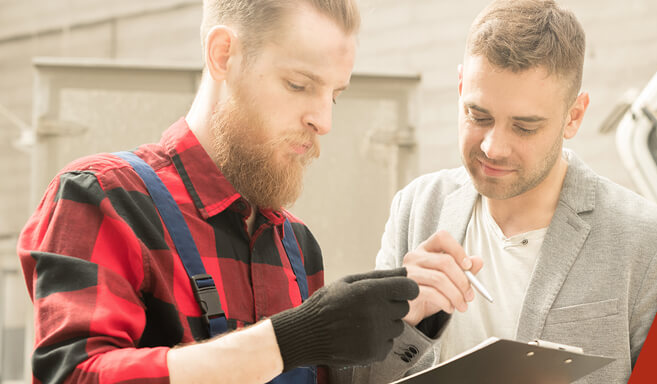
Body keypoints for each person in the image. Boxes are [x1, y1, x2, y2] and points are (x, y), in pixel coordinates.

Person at [17, 1, 433, 383]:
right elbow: (75, 376)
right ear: (223, 55)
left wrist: (408, 320)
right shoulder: (105, 198)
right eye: (298, 84)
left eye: (335, 96)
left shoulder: (297, 246)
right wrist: (287, 340)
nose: (323, 120)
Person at [373, 0, 657, 382]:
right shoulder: (416, 208)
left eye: (524, 127)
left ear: (573, 116)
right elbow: (359, 376)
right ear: (460, 87)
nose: (493, 147)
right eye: (479, 115)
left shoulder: (652, 244)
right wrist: (404, 322)